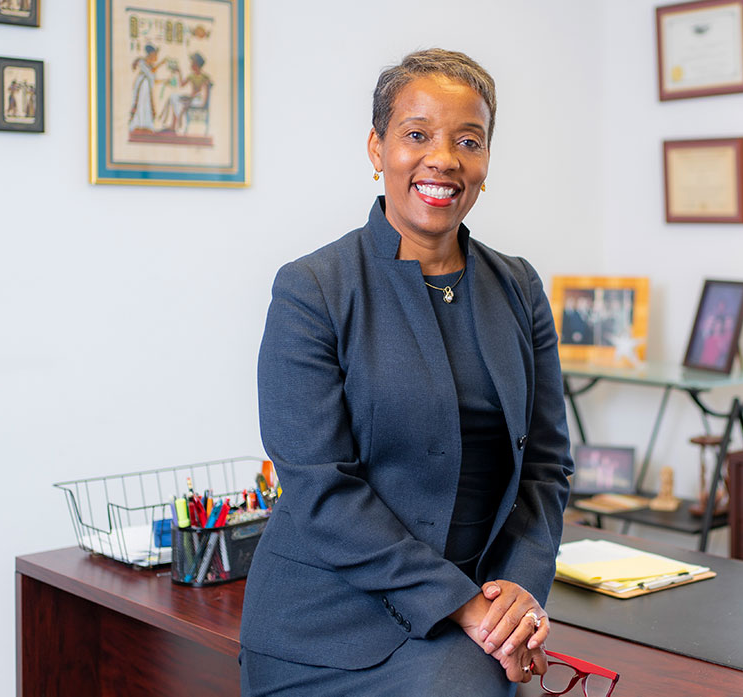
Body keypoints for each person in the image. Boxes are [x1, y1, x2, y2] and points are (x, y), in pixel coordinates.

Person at [240, 49, 574, 696]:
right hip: (325, 626)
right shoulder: (313, 289)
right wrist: (468, 607)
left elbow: (547, 465)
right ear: (377, 147)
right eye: (417, 134)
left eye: (468, 141)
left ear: (485, 163)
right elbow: (320, 488)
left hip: (473, 611)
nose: (443, 158)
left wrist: (519, 592)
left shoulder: (520, 288)